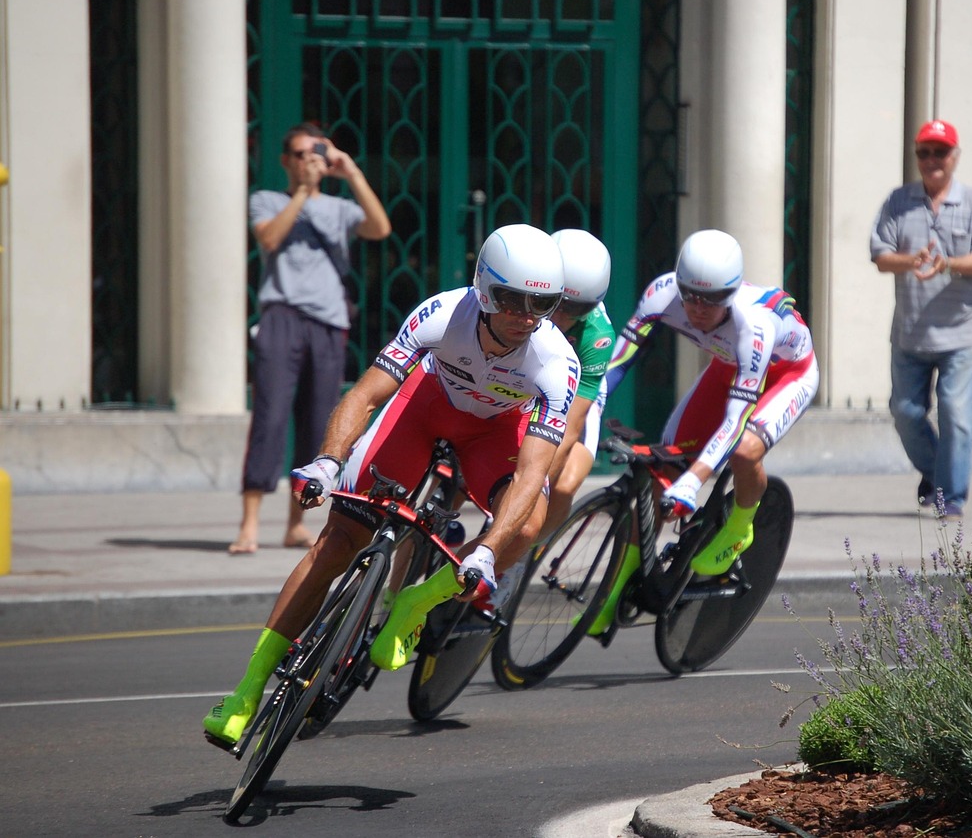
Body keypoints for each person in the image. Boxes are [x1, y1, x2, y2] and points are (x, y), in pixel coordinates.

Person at [203, 223, 579, 747]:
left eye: (541, 304)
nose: (524, 317)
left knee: (528, 522)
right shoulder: (442, 314)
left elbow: (533, 471)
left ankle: (416, 601)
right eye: (510, 299)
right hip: (424, 410)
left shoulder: (557, 362)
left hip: (493, 433)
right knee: (336, 544)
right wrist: (328, 462)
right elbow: (364, 396)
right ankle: (246, 692)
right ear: (483, 290)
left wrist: (487, 551)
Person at [587, 229, 819, 635]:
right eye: (690, 293)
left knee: (745, 451)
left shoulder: (755, 327)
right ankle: (615, 591)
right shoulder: (662, 293)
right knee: (661, 473)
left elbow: (735, 421)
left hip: (788, 375)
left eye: (711, 299)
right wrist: (590, 407)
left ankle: (740, 526)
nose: (696, 307)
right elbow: (618, 361)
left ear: (730, 294)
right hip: (729, 366)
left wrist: (695, 481)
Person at [230, 124, 391, 554]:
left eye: (315, 153)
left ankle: (295, 524)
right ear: (286, 160)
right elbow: (268, 237)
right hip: (282, 317)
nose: (308, 161)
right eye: (300, 154)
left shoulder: (339, 209)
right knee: (270, 417)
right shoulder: (268, 200)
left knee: (319, 419)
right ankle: (249, 525)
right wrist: (301, 192)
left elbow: (380, 227)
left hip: (328, 324)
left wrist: (351, 172)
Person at [869, 119, 972, 519]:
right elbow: (879, 255)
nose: (931, 160)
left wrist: (948, 264)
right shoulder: (898, 201)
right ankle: (936, 472)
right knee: (905, 413)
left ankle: (952, 498)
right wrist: (913, 260)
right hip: (910, 336)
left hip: (961, 335)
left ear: (954, 157)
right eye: (923, 152)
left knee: (957, 415)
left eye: (939, 152)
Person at [540, 229, 616, 536]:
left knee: (564, 483)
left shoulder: (597, 335)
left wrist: (533, 489)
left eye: (577, 309)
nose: (562, 316)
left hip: (576, 388)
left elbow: (571, 427)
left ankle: (521, 558)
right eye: (556, 302)